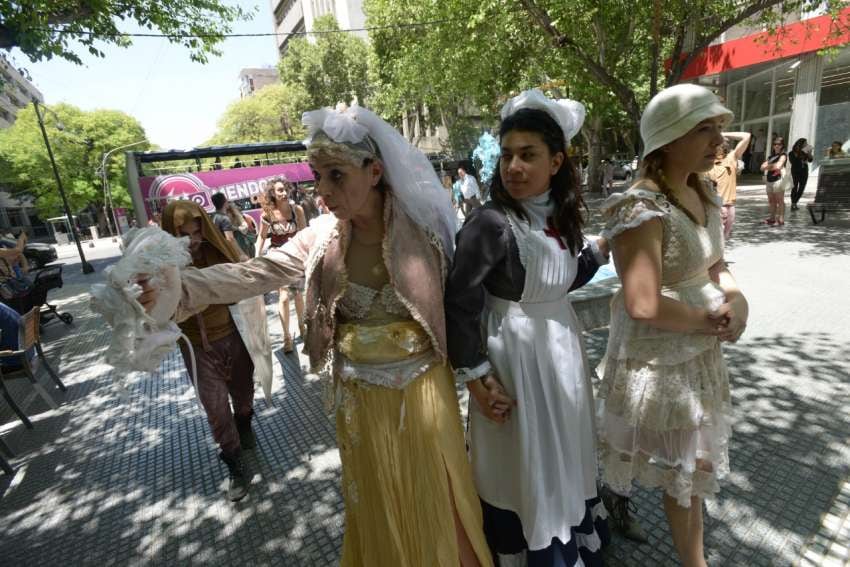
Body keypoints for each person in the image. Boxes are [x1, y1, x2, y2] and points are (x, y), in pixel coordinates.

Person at [139, 103, 493, 567]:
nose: (322, 190)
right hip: (360, 400)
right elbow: (255, 273)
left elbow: (469, 307)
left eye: (336, 175)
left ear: (375, 171)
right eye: (316, 176)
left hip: (425, 396)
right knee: (378, 502)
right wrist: (179, 287)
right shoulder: (322, 239)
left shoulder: (427, 234)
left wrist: (485, 376)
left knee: (439, 498)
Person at [445, 89, 609, 566]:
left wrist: (598, 251)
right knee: (522, 461)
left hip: (561, 353)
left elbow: (558, 282)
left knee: (562, 451)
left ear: (556, 162)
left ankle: (566, 535)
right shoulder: (489, 222)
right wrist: (476, 377)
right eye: (508, 155)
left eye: (528, 155)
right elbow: (458, 302)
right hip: (513, 360)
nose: (513, 166)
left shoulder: (558, 218)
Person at [597, 83, 749, 567]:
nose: (718, 141)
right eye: (704, 129)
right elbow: (643, 303)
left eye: (718, 128)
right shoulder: (639, 207)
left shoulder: (698, 189)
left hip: (698, 349)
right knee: (682, 471)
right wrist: (710, 318)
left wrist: (738, 298)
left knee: (691, 467)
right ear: (666, 137)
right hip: (660, 359)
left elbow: (714, 265)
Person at [159, 200, 260, 502]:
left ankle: (244, 424)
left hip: (231, 335)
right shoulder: (161, 267)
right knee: (216, 410)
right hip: (196, 349)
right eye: (184, 234)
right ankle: (234, 462)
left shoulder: (215, 252)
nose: (193, 240)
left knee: (243, 397)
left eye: (197, 232)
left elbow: (242, 278)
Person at [256, 178, 307, 353]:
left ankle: (302, 327)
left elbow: (305, 234)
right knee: (284, 297)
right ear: (273, 194)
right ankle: (287, 338)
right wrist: (256, 257)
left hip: (296, 257)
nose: (284, 193)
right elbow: (261, 237)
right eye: (279, 190)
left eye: (285, 189)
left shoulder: (297, 210)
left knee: (299, 295)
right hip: (278, 258)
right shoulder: (267, 214)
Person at [707, 131, 751, 239]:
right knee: (715, 239)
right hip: (714, 206)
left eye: (718, 144)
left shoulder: (731, 158)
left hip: (729, 205)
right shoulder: (707, 162)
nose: (716, 147)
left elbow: (746, 136)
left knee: (724, 238)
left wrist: (723, 133)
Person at [761, 137, 787, 226]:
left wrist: (767, 166)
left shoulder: (783, 155)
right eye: (775, 144)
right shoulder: (771, 156)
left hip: (778, 180)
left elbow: (778, 166)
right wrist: (771, 166)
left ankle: (780, 219)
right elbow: (762, 167)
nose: (776, 146)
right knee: (771, 200)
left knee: (780, 200)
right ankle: (772, 218)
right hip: (769, 180)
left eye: (779, 144)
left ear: (782, 145)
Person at [788, 138, 814, 211]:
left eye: (806, 143)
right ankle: (793, 204)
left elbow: (810, 160)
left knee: (802, 188)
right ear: (800, 144)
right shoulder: (792, 153)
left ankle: (794, 202)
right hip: (795, 171)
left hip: (804, 171)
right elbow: (793, 162)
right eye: (805, 143)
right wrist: (799, 154)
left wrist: (809, 153)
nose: (806, 145)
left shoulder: (805, 152)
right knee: (794, 187)